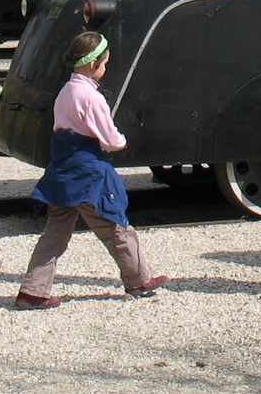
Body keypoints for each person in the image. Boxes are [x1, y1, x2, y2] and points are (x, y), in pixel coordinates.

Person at [12, 31, 166, 309]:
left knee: (55, 234)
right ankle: (139, 280)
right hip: (88, 175)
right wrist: (122, 140)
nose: (105, 68)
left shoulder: (65, 92)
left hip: (61, 172)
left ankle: (33, 291)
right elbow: (111, 141)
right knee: (116, 228)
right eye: (104, 63)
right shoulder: (91, 98)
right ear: (93, 63)